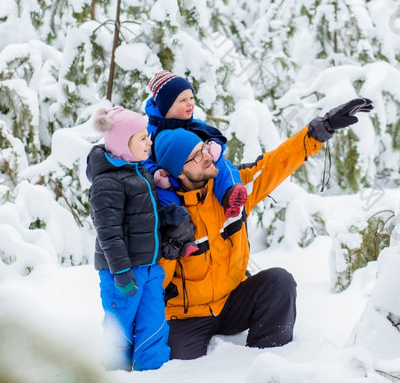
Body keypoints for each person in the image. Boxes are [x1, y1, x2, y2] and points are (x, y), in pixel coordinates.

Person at [152, 98, 374, 360]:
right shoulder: (162, 215)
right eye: (196, 157)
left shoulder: (229, 191)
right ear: (178, 172)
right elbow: (154, 284)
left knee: (279, 282)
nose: (207, 158)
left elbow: (274, 164)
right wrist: (170, 248)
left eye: (204, 149)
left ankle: (267, 364)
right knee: (177, 371)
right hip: (186, 315)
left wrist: (320, 130)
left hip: (233, 300)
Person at [86, 107, 171, 371]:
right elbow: (108, 233)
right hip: (121, 274)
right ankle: (113, 374)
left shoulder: (140, 173)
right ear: (124, 143)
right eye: (142, 138)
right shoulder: (107, 184)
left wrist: (171, 215)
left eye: (148, 136)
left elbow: (147, 216)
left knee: (154, 324)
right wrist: (121, 271)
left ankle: (154, 372)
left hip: (149, 267)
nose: (149, 142)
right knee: (119, 332)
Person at [144, 70, 247, 218]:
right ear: (166, 106)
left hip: (198, 173)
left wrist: (215, 145)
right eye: (182, 100)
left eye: (191, 98)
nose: (190, 104)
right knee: (161, 196)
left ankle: (229, 194)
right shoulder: (151, 133)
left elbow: (216, 136)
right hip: (171, 180)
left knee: (222, 166)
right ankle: (176, 228)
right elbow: (142, 159)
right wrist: (154, 173)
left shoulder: (194, 124)